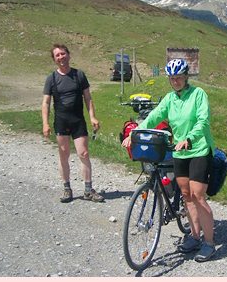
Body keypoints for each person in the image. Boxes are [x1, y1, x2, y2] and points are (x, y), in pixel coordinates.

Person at [122, 58, 216, 262]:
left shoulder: (198, 95)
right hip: (180, 152)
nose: (175, 81)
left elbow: (203, 121)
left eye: (179, 77)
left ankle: (209, 243)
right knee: (185, 194)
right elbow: (154, 117)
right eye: (172, 78)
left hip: (199, 148)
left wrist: (189, 139)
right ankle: (194, 236)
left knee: (198, 195)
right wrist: (134, 133)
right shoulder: (170, 99)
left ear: (186, 77)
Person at [42, 44, 104, 203]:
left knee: (83, 153)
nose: (61, 57)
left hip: (78, 120)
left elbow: (88, 98)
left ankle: (88, 190)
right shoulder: (52, 78)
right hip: (61, 121)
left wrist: (92, 117)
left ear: (68, 55)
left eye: (63, 54)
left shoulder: (79, 75)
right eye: (57, 55)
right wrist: (45, 124)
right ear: (54, 59)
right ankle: (67, 188)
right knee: (64, 154)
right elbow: (46, 103)